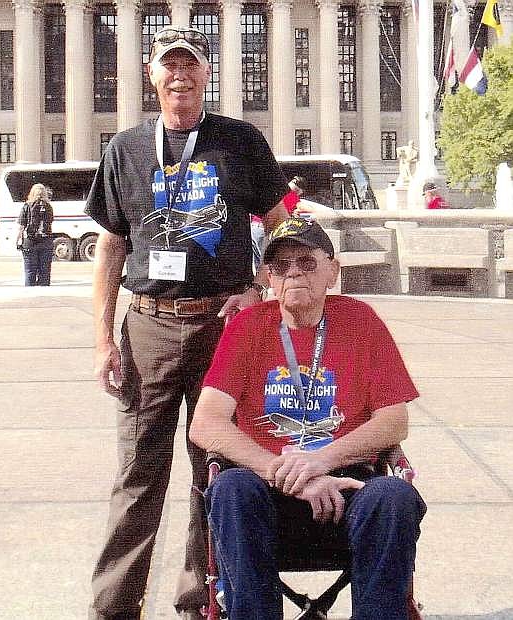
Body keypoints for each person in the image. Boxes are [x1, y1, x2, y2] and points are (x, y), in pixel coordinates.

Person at [84, 25, 289, 620]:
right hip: (147, 327)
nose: (181, 76)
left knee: (218, 470)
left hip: (222, 330)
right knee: (137, 475)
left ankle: (203, 598)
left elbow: (283, 225)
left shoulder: (240, 142)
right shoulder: (125, 149)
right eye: (169, 66)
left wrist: (258, 289)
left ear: (206, 75)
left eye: (191, 66)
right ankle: (115, 608)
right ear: (152, 77)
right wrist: (102, 339)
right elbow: (110, 249)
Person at [190, 216, 427, 620]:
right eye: (281, 266)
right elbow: (206, 424)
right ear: (268, 277)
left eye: (307, 261)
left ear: (332, 271)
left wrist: (321, 462)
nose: (294, 272)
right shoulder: (249, 326)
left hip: (348, 488)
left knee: (395, 497)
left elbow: (394, 421)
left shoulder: (360, 321)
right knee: (229, 488)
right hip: (266, 492)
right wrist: (288, 473)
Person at [251, 176, 306, 272]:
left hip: (254, 227)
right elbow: (286, 218)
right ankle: (266, 284)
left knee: (257, 260)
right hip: (264, 229)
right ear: (300, 190)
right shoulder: (293, 197)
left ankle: (258, 284)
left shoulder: (276, 190)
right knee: (266, 260)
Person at [16, 183, 54, 286]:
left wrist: (18, 240)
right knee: (45, 273)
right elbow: (50, 223)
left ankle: (30, 297)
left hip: (30, 242)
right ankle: (44, 296)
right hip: (46, 242)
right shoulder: (48, 207)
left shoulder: (27, 206)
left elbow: (21, 226)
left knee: (30, 271)